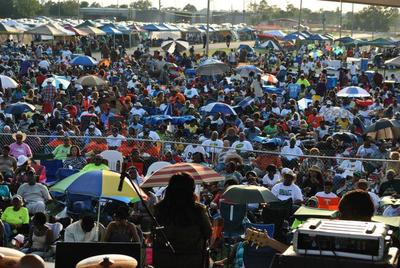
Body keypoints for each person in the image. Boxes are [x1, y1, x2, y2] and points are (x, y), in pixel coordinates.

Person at [154, 173, 212, 268]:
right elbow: (208, 232)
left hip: (164, 259)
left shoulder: (159, 209)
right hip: (193, 260)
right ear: (191, 190)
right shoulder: (198, 210)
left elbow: (154, 232)